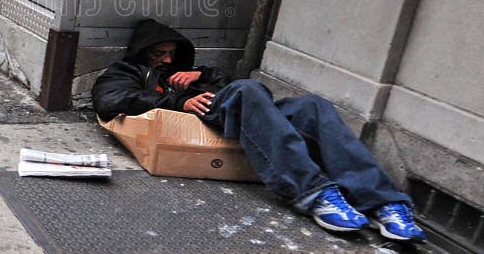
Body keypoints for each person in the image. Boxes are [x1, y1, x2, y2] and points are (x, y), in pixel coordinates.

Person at [92, 18, 427, 243]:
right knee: (247, 90)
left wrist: (201, 75)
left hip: (231, 109)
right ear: (142, 54)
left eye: (171, 54)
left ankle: (383, 201)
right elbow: (110, 100)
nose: (166, 60)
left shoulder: (190, 72)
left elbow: (228, 88)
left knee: (314, 106)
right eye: (158, 54)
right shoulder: (127, 71)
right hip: (204, 116)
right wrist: (177, 101)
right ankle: (314, 192)